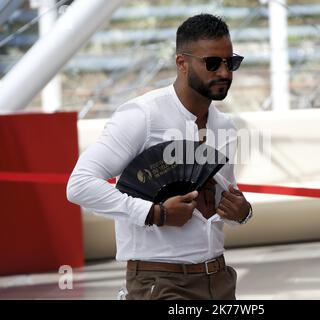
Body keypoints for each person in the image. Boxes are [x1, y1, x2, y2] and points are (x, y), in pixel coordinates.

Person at [66, 13, 252, 300]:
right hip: (160, 281)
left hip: (220, 278)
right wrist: (155, 214)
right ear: (182, 63)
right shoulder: (143, 116)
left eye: (231, 62)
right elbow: (79, 185)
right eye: (212, 63)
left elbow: (219, 204)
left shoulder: (225, 127)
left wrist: (242, 213)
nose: (225, 72)